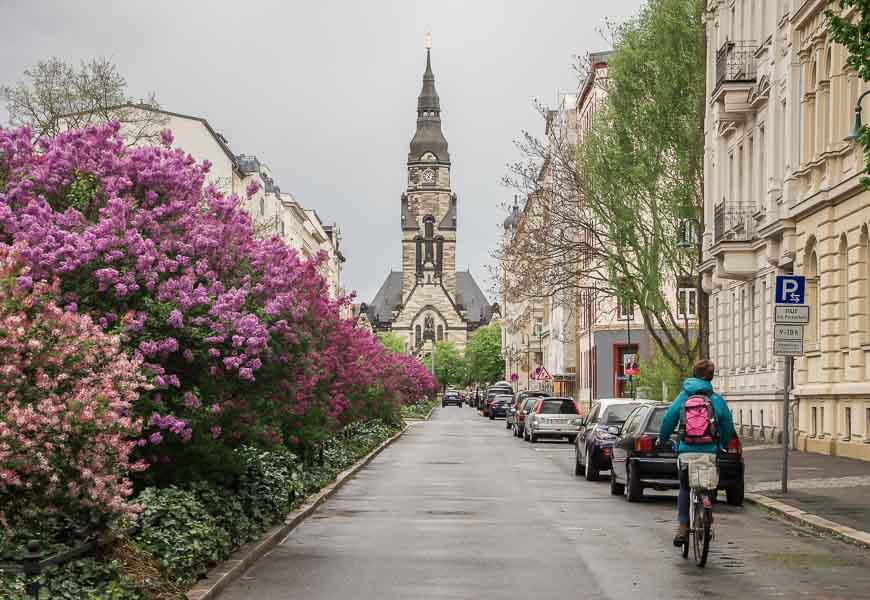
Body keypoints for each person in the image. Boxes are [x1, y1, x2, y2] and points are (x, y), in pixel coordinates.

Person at [659, 359, 734, 547]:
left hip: (686, 452)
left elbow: (668, 419)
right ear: (711, 377)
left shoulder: (683, 397)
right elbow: (727, 425)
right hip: (710, 452)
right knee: (708, 485)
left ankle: (683, 527)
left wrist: (663, 437)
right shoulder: (716, 400)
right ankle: (707, 517)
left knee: (685, 487)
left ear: (694, 374)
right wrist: (722, 444)